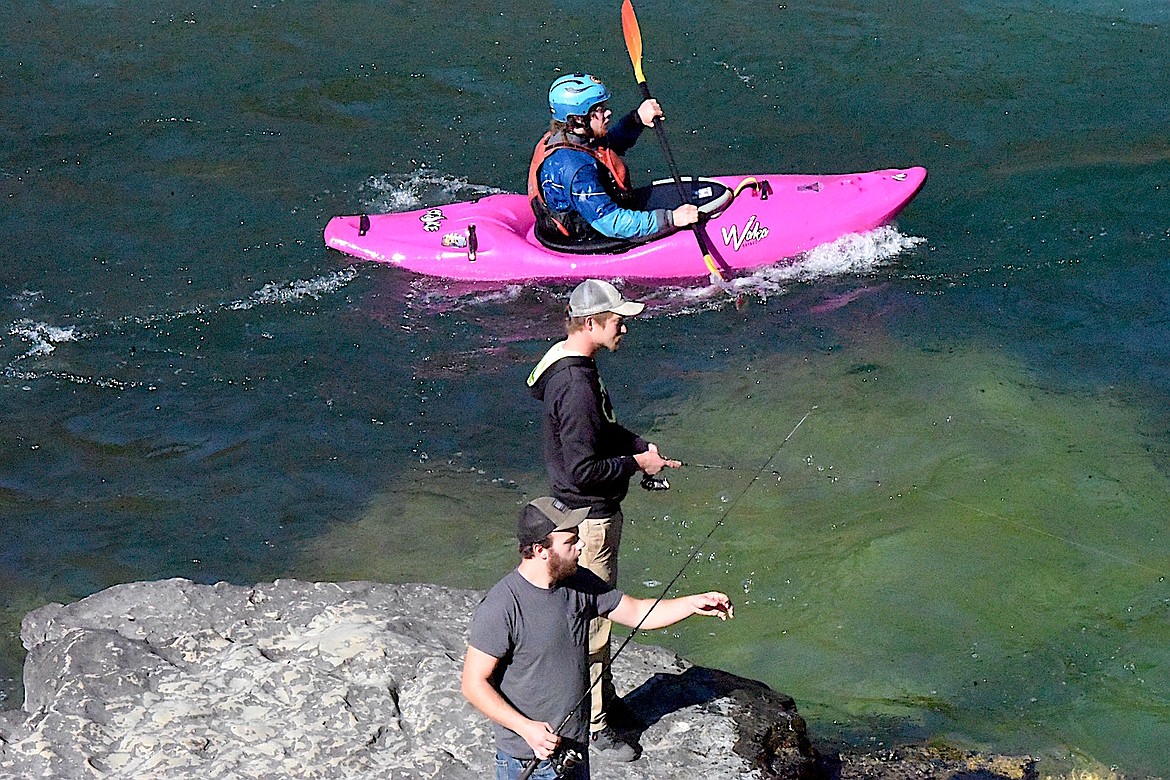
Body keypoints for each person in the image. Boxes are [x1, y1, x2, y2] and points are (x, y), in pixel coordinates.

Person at [462, 497, 734, 780]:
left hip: (574, 750)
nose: (580, 546)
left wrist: (692, 604)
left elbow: (638, 611)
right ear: (541, 550)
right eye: (570, 542)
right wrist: (526, 728)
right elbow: (473, 684)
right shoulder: (502, 607)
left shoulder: (579, 582)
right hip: (527, 759)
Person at [525, 278, 680, 760]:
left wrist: (636, 446)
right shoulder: (574, 385)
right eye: (618, 321)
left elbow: (600, 432)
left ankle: (603, 702)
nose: (624, 329)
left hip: (580, 511)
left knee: (597, 613)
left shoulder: (573, 367)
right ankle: (595, 726)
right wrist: (637, 466)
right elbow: (582, 468)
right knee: (595, 620)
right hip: (589, 518)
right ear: (590, 323)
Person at [527, 72, 699, 249]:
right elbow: (611, 223)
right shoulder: (574, 169)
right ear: (579, 118)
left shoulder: (574, 136)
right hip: (591, 236)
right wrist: (672, 219)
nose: (608, 112)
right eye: (599, 109)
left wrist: (636, 119)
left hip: (596, 214)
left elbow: (607, 149)